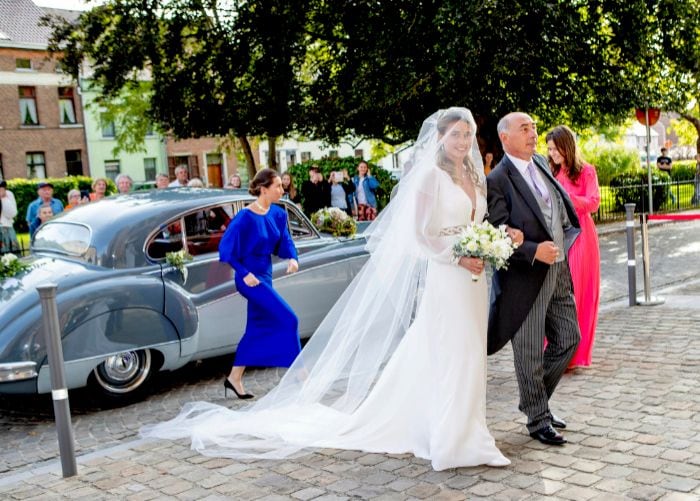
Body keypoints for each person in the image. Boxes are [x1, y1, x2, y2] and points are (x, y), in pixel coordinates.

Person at [141, 107, 515, 471]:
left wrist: (490, 243)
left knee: (470, 354)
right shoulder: (431, 177)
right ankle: (452, 441)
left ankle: (473, 430)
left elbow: (475, 224)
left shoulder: (475, 175)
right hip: (447, 276)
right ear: (440, 138)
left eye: (467, 134)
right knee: (449, 354)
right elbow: (419, 235)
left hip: (474, 280)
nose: (463, 140)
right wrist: (457, 256)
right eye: (455, 134)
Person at [486, 112, 581, 447]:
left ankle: (535, 401)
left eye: (534, 128)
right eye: (524, 129)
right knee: (528, 352)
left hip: (558, 270)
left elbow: (556, 209)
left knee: (570, 338)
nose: (533, 134)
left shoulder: (540, 162)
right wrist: (531, 250)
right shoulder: (497, 179)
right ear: (505, 137)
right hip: (525, 278)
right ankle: (538, 417)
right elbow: (496, 231)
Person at [217, 168, 300, 398]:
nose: (282, 190)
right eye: (278, 187)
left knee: (255, 327)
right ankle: (300, 373)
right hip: (249, 279)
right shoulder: (244, 217)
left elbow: (286, 241)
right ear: (263, 189)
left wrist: (293, 258)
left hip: (265, 275)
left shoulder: (278, 214)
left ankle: (234, 378)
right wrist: (243, 273)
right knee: (290, 319)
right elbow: (226, 249)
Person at [546, 125, 600, 369]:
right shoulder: (552, 173)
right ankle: (558, 349)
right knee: (556, 295)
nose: (552, 154)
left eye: (554, 149)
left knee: (579, 293)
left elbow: (594, 202)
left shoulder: (586, 171)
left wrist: (568, 200)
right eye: (549, 149)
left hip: (581, 237)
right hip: (558, 237)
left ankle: (575, 354)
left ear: (566, 146)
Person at [0, 181, 20, 255]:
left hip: (7, 228)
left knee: (11, 256)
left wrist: (4, 198)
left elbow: (12, 214)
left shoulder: (9, 194)